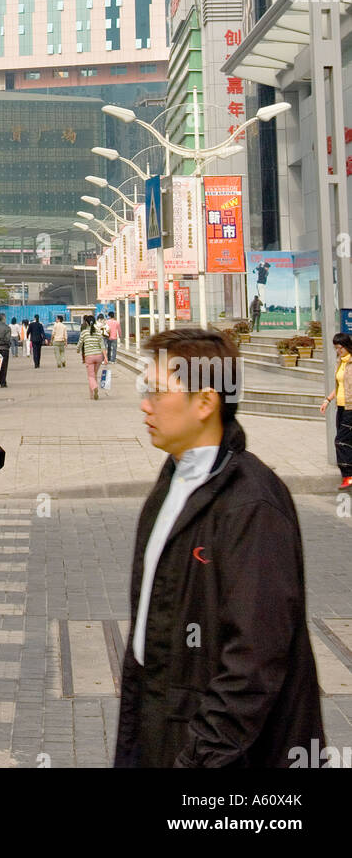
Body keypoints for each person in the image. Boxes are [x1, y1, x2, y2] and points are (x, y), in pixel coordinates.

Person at [115, 327, 323, 768]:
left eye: (156, 391)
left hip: (212, 749)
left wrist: (199, 758)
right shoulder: (173, 478)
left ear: (206, 402)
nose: (144, 404)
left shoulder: (251, 504)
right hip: (154, 719)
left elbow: (255, 659)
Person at [320, 332, 352, 489]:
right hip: (340, 407)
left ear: (346, 346)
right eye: (336, 348)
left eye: (339, 348)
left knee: (340, 441)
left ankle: (348, 475)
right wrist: (327, 400)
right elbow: (339, 386)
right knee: (346, 440)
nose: (338, 351)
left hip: (350, 408)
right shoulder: (341, 362)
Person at [79, 315, 106, 399]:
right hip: (98, 356)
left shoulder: (84, 332)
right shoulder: (98, 332)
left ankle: (95, 388)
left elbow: (80, 343)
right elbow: (102, 345)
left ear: (86, 322)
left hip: (89, 356)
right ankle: (91, 395)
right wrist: (105, 357)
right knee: (94, 375)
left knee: (90, 376)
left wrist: (77, 350)